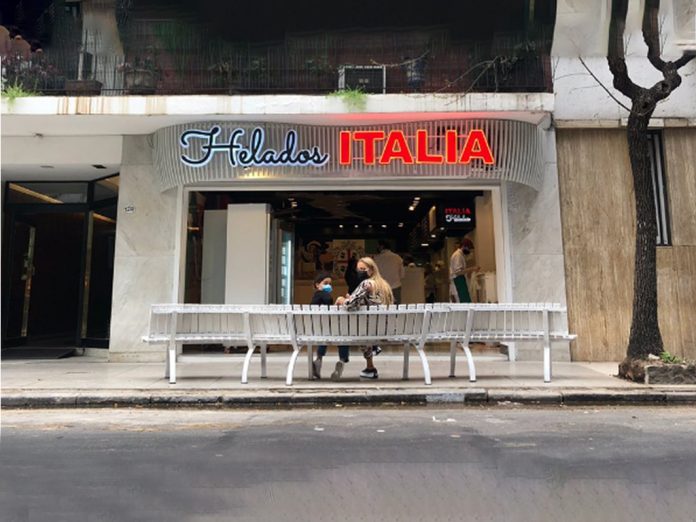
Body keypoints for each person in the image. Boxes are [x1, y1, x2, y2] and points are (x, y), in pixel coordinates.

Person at [335, 257, 393, 379]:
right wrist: (351, 299)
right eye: (358, 270)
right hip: (384, 328)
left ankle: (344, 357)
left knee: (356, 326)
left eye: (363, 269)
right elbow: (371, 303)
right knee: (363, 325)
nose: (360, 272)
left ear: (372, 270)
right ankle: (370, 367)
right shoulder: (384, 284)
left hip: (369, 329)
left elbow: (350, 304)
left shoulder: (366, 284)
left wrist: (341, 300)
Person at [310, 272, 350, 381]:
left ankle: (319, 358)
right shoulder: (321, 294)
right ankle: (342, 360)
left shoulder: (315, 297)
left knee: (326, 335)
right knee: (343, 336)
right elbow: (328, 302)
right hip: (326, 329)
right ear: (317, 285)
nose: (328, 285)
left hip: (319, 330)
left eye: (330, 284)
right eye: (325, 283)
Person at [374, 240, 405, 305]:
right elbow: (402, 275)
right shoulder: (398, 258)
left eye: (378, 246)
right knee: (397, 308)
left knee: (382, 308)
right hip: (396, 287)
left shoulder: (376, 259)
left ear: (382, 246)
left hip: (381, 288)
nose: (377, 248)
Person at [449, 237, 479, 303]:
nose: (469, 251)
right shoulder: (457, 255)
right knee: (462, 303)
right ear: (464, 246)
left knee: (464, 302)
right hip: (458, 282)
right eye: (469, 249)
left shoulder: (460, 255)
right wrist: (472, 269)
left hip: (460, 281)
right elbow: (458, 272)